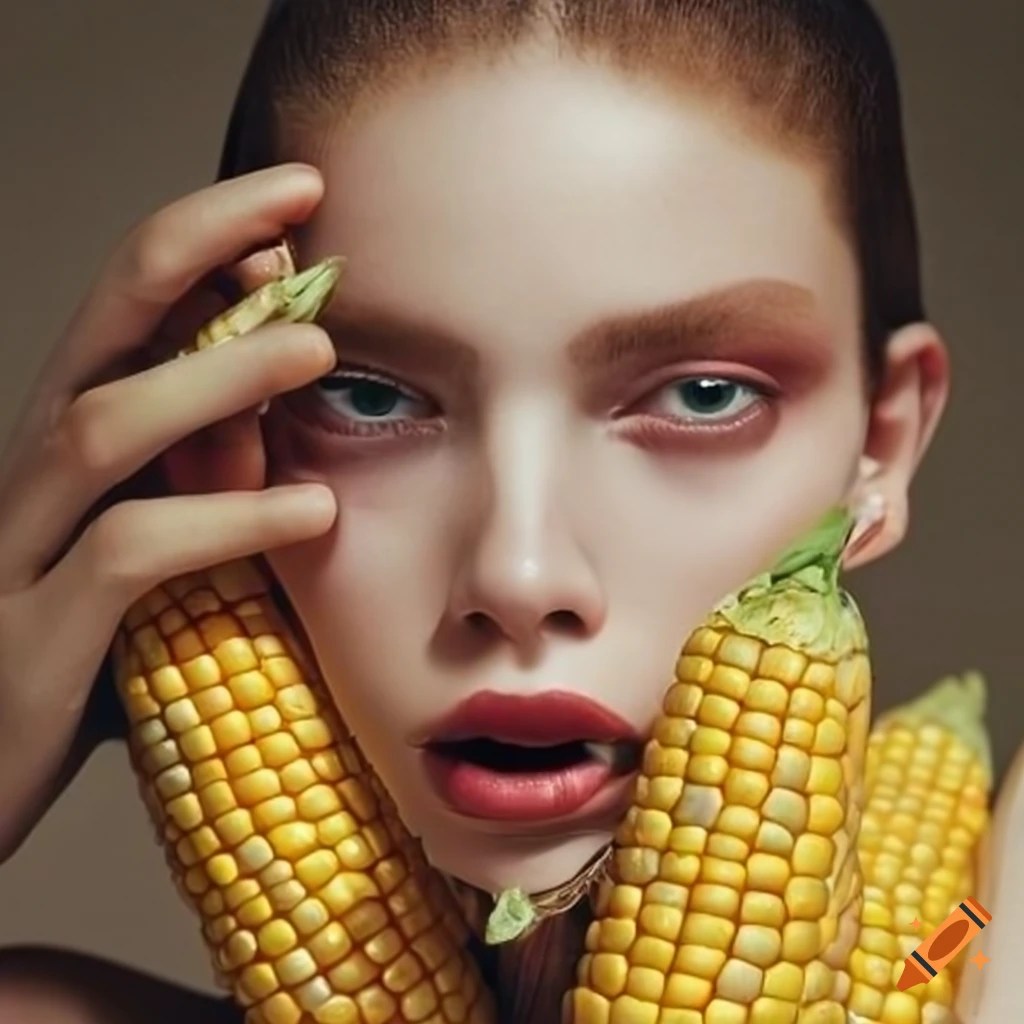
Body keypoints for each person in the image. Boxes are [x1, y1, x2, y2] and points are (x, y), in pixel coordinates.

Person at [0, 0, 1020, 1021]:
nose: (520, 578)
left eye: (701, 394)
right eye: (367, 396)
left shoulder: (971, 937)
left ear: (878, 444)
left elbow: (953, 954)